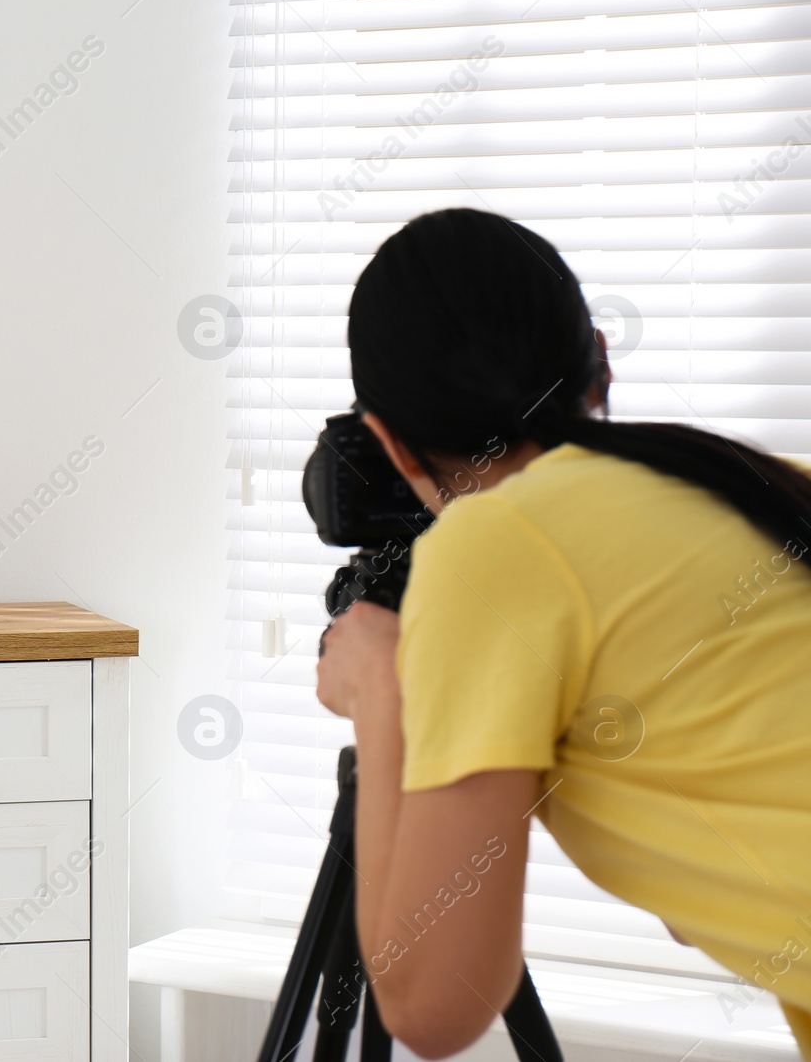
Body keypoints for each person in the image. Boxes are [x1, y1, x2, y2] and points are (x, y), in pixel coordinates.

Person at [316, 207, 811, 1059]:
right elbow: (711, 894)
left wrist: (382, 691)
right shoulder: (765, 487)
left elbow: (435, 1007)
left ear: (390, 443)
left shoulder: (496, 547)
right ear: (601, 361)